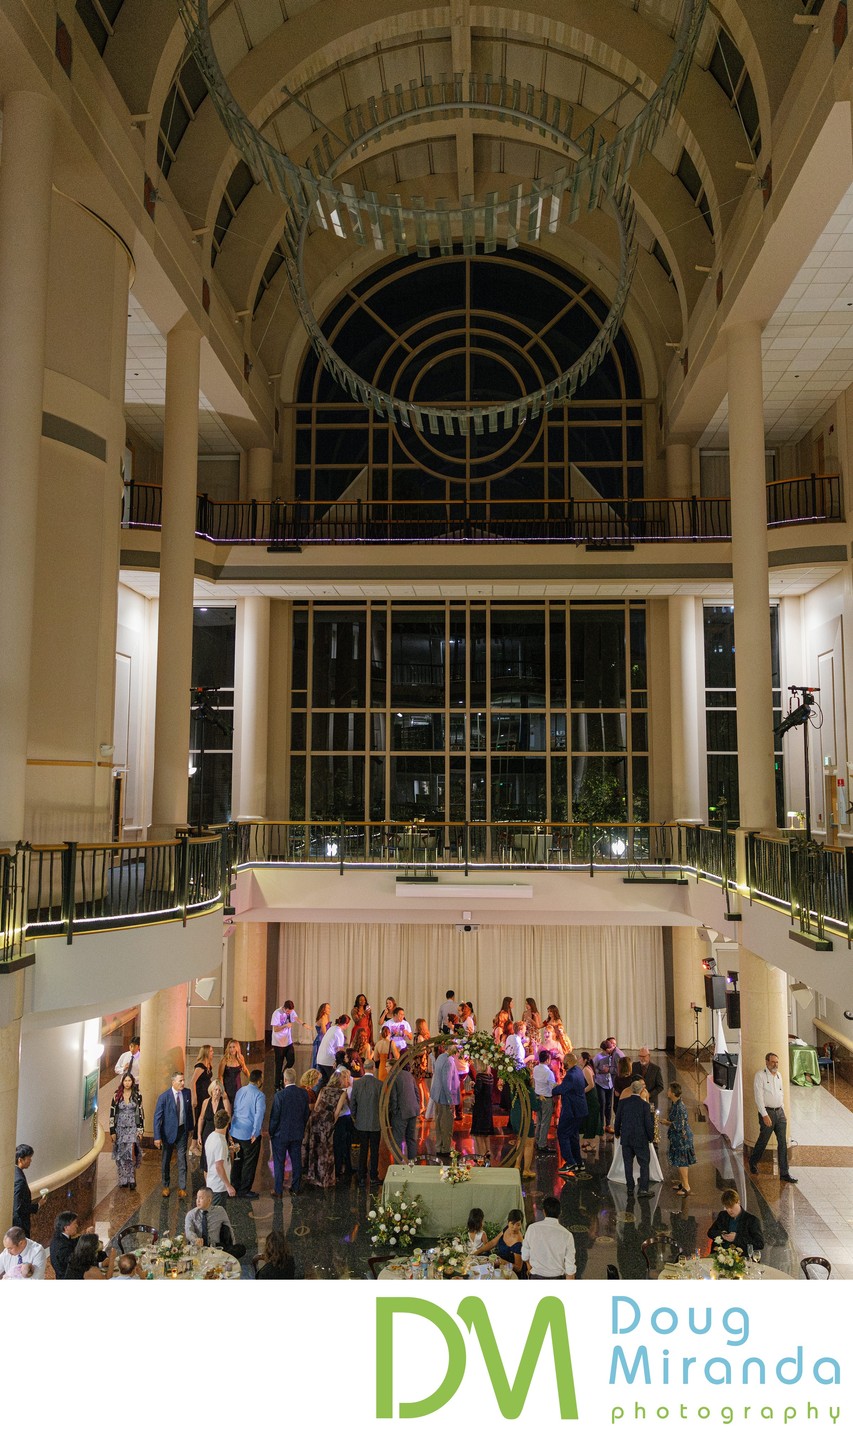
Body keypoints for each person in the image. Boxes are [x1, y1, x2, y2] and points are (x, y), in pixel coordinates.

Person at [750, 1052, 798, 1182]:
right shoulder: (760, 1076)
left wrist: (783, 1111)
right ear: (766, 1062)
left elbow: (780, 1093)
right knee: (763, 1140)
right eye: (772, 1062)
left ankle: (784, 1173)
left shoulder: (779, 1076)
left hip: (779, 1112)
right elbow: (758, 1097)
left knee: (782, 1142)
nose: (775, 1064)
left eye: (777, 1062)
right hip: (767, 1112)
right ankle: (753, 1161)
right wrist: (764, 1115)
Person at [268, 1068, 311, 1196]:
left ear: (285, 1080)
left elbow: (275, 1117)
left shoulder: (279, 1096)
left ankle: (278, 1190)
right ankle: (296, 1188)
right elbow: (306, 1113)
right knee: (296, 1160)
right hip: (297, 1133)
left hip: (281, 1135)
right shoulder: (303, 1094)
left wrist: (271, 1132)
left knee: (279, 1162)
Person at [152, 1070, 194, 1197]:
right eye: (180, 1081)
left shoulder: (187, 1093)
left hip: (182, 1131)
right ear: (173, 1082)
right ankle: (165, 1185)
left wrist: (191, 1128)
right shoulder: (164, 1097)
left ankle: (182, 1187)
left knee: (182, 1159)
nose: (183, 1083)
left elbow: (188, 1112)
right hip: (168, 1133)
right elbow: (157, 1118)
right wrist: (157, 1137)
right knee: (166, 1160)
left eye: (183, 1080)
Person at [302, 1072, 346, 1187]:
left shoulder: (323, 1089)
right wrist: (331, 1124)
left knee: (314, 1147)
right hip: (326, 1122)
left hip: (315, 1119)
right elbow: (336, 1113)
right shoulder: (342, 1093)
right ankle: (325, 1179)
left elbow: (316, 1107)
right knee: (326, 1150)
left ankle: (312, 1176)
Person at [613, 1078, 655, 1195]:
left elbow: (618, 1121)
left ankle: (630, 1187)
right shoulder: (645, 1105)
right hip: (640, 1139)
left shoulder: (623, 1102)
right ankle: (643, 1189)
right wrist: (651, 1137)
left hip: (626, 1138)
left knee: (628, 1163)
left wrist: (617, 1133)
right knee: (644, 1163)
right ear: (641, 1090)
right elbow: (648, 1123)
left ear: (631, 1089)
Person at [230, 1067, 266, 1198]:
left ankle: (234, 1184)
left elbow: (235, 1109)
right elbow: (259, 1115)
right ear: (259, 1081)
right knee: (249, 1162)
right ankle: (244, 1189)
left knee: (238, 1160)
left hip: (236, 1130)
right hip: (249, 1133)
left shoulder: (240, 1090)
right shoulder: (259, 1095)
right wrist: (255, 1133)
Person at [521, 1196, 575, 1279]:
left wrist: (529, 1266)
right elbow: (570, 1266)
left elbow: (525, 1255)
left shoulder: (532, 1228)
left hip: (536, 1277)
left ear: (544, 1212)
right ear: (560, 1212)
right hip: (557, 1279)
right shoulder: (567, 1235)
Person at [553, 1053, 588, 1176]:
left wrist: (552, 1088)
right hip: (581, 1109)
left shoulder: (570, 1076)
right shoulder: (578, 1070)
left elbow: (561, 1090)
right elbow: (585, 1084)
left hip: (571, 1111)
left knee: (562, 1133)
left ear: (567, 1062)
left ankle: (570, 1162)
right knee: (573, 1136)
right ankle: (579, 1163)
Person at [185, 1186, 245, 1257]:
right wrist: (195, 1239)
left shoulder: (220, 1211)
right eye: (197, 1198)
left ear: (209, 1200)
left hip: (215, 1248)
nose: (198, 1201)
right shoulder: (191, 1214)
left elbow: (229, 1228)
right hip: (198, 1248)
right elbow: (188, 1231)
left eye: (201, 1198)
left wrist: (232, 1244)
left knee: (241, 1248)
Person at [109, 1073, 144, 1189]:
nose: (127, 1083)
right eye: (125, 1081)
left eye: (129, 1080)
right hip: (120, 1127)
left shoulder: (137, 1095)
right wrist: (112, 1131)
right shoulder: (117, 1096)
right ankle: (123, 1178)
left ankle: (131, 1177)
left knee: (131, 1152)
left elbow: (140, 1113)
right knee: (122, 1153)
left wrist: (140, 1130)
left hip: (132, 1127)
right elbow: (112, 1114)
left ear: (132, 1082)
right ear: (122, 1082)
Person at [350, 1057, 383, 1183]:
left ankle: (361, 1176)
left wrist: (354, 1117)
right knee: (374, 1150)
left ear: (363, 1068)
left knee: (363, 1149)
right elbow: (383, 1104)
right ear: (373, 1068)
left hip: (361, 1123)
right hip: (375, 1123)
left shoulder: (357, 1083)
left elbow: (353, 1103)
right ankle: (374, 1176)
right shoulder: (379, 1084)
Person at [708, 1189, 765, 1254]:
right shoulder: (723, 1215)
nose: (729, 1210)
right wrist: (722, 1234)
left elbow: (759, 1244)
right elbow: (710, 1233)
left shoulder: (751, 1220)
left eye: (731, 1206)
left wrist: (736, 1238)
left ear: (738, 1202)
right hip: (720, 1256)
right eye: (727, 1208)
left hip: (741, 1259)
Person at [663, 1082, 696, 1195]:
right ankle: (682, 1183)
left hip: (682, 1139)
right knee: (679, 1161)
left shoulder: (680, 1107)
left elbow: (679, 1125)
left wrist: (666, 1122)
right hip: (678, 1138)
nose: (667, 1092)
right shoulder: (675, 1104)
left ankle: (686, 1186)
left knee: (682, 1162)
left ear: (672, 1093)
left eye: (669, 1090)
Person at [430, 1042, 462, 1157]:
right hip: (444, 1097)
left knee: (439, 1122)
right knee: (447, 1124)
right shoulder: (449, 1061)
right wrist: (450, 1101)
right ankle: (446, 1149)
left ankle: (439, 1146)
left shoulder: (441, 1057)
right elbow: (447, 1082)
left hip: (437, 1095)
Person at [196, 1078, 232, 1175]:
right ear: (211, 1090)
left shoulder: (225, 1102)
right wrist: (199, 1134)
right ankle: (208, 1186)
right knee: (206, 1160)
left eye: (220, 1090)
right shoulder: (206, 1102)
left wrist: (228, 1135)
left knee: (219, 1159)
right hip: (207, 1133)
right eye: (216, 1089)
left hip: (221, 1134)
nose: (217, 1092)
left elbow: (228, 1120)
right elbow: (201, 1118)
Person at [390, 1061, 421, 1159]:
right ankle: (412, 1163)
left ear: (392, 1067)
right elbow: (416, 1092)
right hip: (413, 1110)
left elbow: (393, 1098)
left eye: (387, 1066)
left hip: (401, 1113)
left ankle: (398, 1166)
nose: (385, 1068)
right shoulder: (408, 1075)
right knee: (411, 1139)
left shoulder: (393, 1078)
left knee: (397, 1140)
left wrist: (394, 1112)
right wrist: (417, 1105)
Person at [205, 1108, 236, 1204]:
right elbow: (219, 1166)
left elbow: (214, 1155)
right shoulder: (220, 1142)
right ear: (227, 1124)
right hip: (219, 1186)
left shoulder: (211, 1136)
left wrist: (228, 1150)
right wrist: (228, 1186)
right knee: (216, 1216)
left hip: (212, 1182)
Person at [50, 1211, 89, 1280]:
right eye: (75, 1223)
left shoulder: (60, 1237)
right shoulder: (62, 1246)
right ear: (66, 1227)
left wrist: (86, 1235)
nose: (77, 1226)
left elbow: (72, 1242)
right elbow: (76, 1263)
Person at [579, 1050, 602, 1160]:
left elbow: (591, 1085)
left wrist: (581, 1092)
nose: (579, 1060)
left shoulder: (586, 1070)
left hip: (591, 1099)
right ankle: (588, 1142)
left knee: (591, 1120)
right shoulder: (587, 1068)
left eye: (580, 1058)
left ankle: (592, 1144)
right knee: (589, 1119)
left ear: (584, 1060)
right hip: (590, 1098)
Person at [271, 999, 299, 1089]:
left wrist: (303, 1024)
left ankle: (283, 1075)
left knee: (291, 1060)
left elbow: (296, 1018)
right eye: (287, 1011)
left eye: (290, 1012)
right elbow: (275, 1029)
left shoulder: (291, 1012)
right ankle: (277, 1084)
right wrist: (285, 1026)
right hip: (278, 1043)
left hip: (288, 1041)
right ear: (284, 1008)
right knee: (279, 1064)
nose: (288, 1013)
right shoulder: (277, 1013)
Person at [532, 1048, 556, 1154]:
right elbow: (553, 1087)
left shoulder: (536, 1068)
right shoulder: (548, 1072)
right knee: (545, 1122)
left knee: (539, 1120)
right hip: (546, 1098)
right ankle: (542, 1144)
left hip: (537, 1096)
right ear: (547, 1060)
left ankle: (537, 1140)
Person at [470, 1059, 495, 1157]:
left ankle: (481, 1154)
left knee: (479, 1133)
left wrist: (473, 1086)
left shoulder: (480, 1077)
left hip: (480, 1106)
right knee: (486, 1133)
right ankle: (488, 1151)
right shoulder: (490, 1077)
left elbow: (478, 1091)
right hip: (488, 1106)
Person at [12, 1144, 38, 1236]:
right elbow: (18, 1207)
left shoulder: (13, 1172)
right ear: (20, 1160)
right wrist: (38, 1205)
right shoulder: (19, 1180)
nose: (30, 1160)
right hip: (20, 1225)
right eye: (28, 1158)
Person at [316, 1013, 350, 1084]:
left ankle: (317, 1094)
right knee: (333, 1081)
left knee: (322, 1082)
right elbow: (340, 1051)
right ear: (346, 1024)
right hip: (328, 1060)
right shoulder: (339, 1033)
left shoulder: (332, 1028)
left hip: (319, 1058)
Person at [593, 1040, 616, 1134]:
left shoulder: (612, 1056)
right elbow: (593, 1068)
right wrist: (601, 1071)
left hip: (609, 1084)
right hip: (600, 1083)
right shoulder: (598, 1057)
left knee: (609, 1105)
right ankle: (601, 1125)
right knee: (602, 1104)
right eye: (607, 1050)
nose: (608, 1051)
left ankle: (608, 1125)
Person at [218, 1038, 250, 1105]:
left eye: (233, 1047)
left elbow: (245, 1069)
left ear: (237, 1048)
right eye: (230, 1047)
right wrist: (223, 1091)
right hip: (227, 1086)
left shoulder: (241, 1058)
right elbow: (220, 1076)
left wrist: (252, 1081)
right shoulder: (224, 1060)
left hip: (238, 1085)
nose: (232, 1049)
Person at [632, 1047, 664, 1111]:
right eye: (640, 1056)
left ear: (649, 1056)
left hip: (651, 1102)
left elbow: (660, 1087)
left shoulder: (656, 1069)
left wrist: (648, 1094)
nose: (642, 1058)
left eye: (644, 1056)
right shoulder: (634, 1066)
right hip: (636, 1101)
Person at [190, 1044, 214, 1122]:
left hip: (206, 1092)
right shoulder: (200, 1066)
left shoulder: (208, 1065)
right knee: (200, 1114)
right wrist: (194, 1097)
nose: (212, 1052)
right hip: (200, 1093)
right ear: (206, 1052)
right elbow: (192, 1082)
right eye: (211, 1051)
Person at [311, 1003, 331, 1068]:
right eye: (328, 1008)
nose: (329, 1009)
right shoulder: (322, 1019)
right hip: (321, 1039)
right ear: (324, 1010)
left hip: (324, 1038)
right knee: (319, 1057)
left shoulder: (327, 1017)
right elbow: (324, 1032)